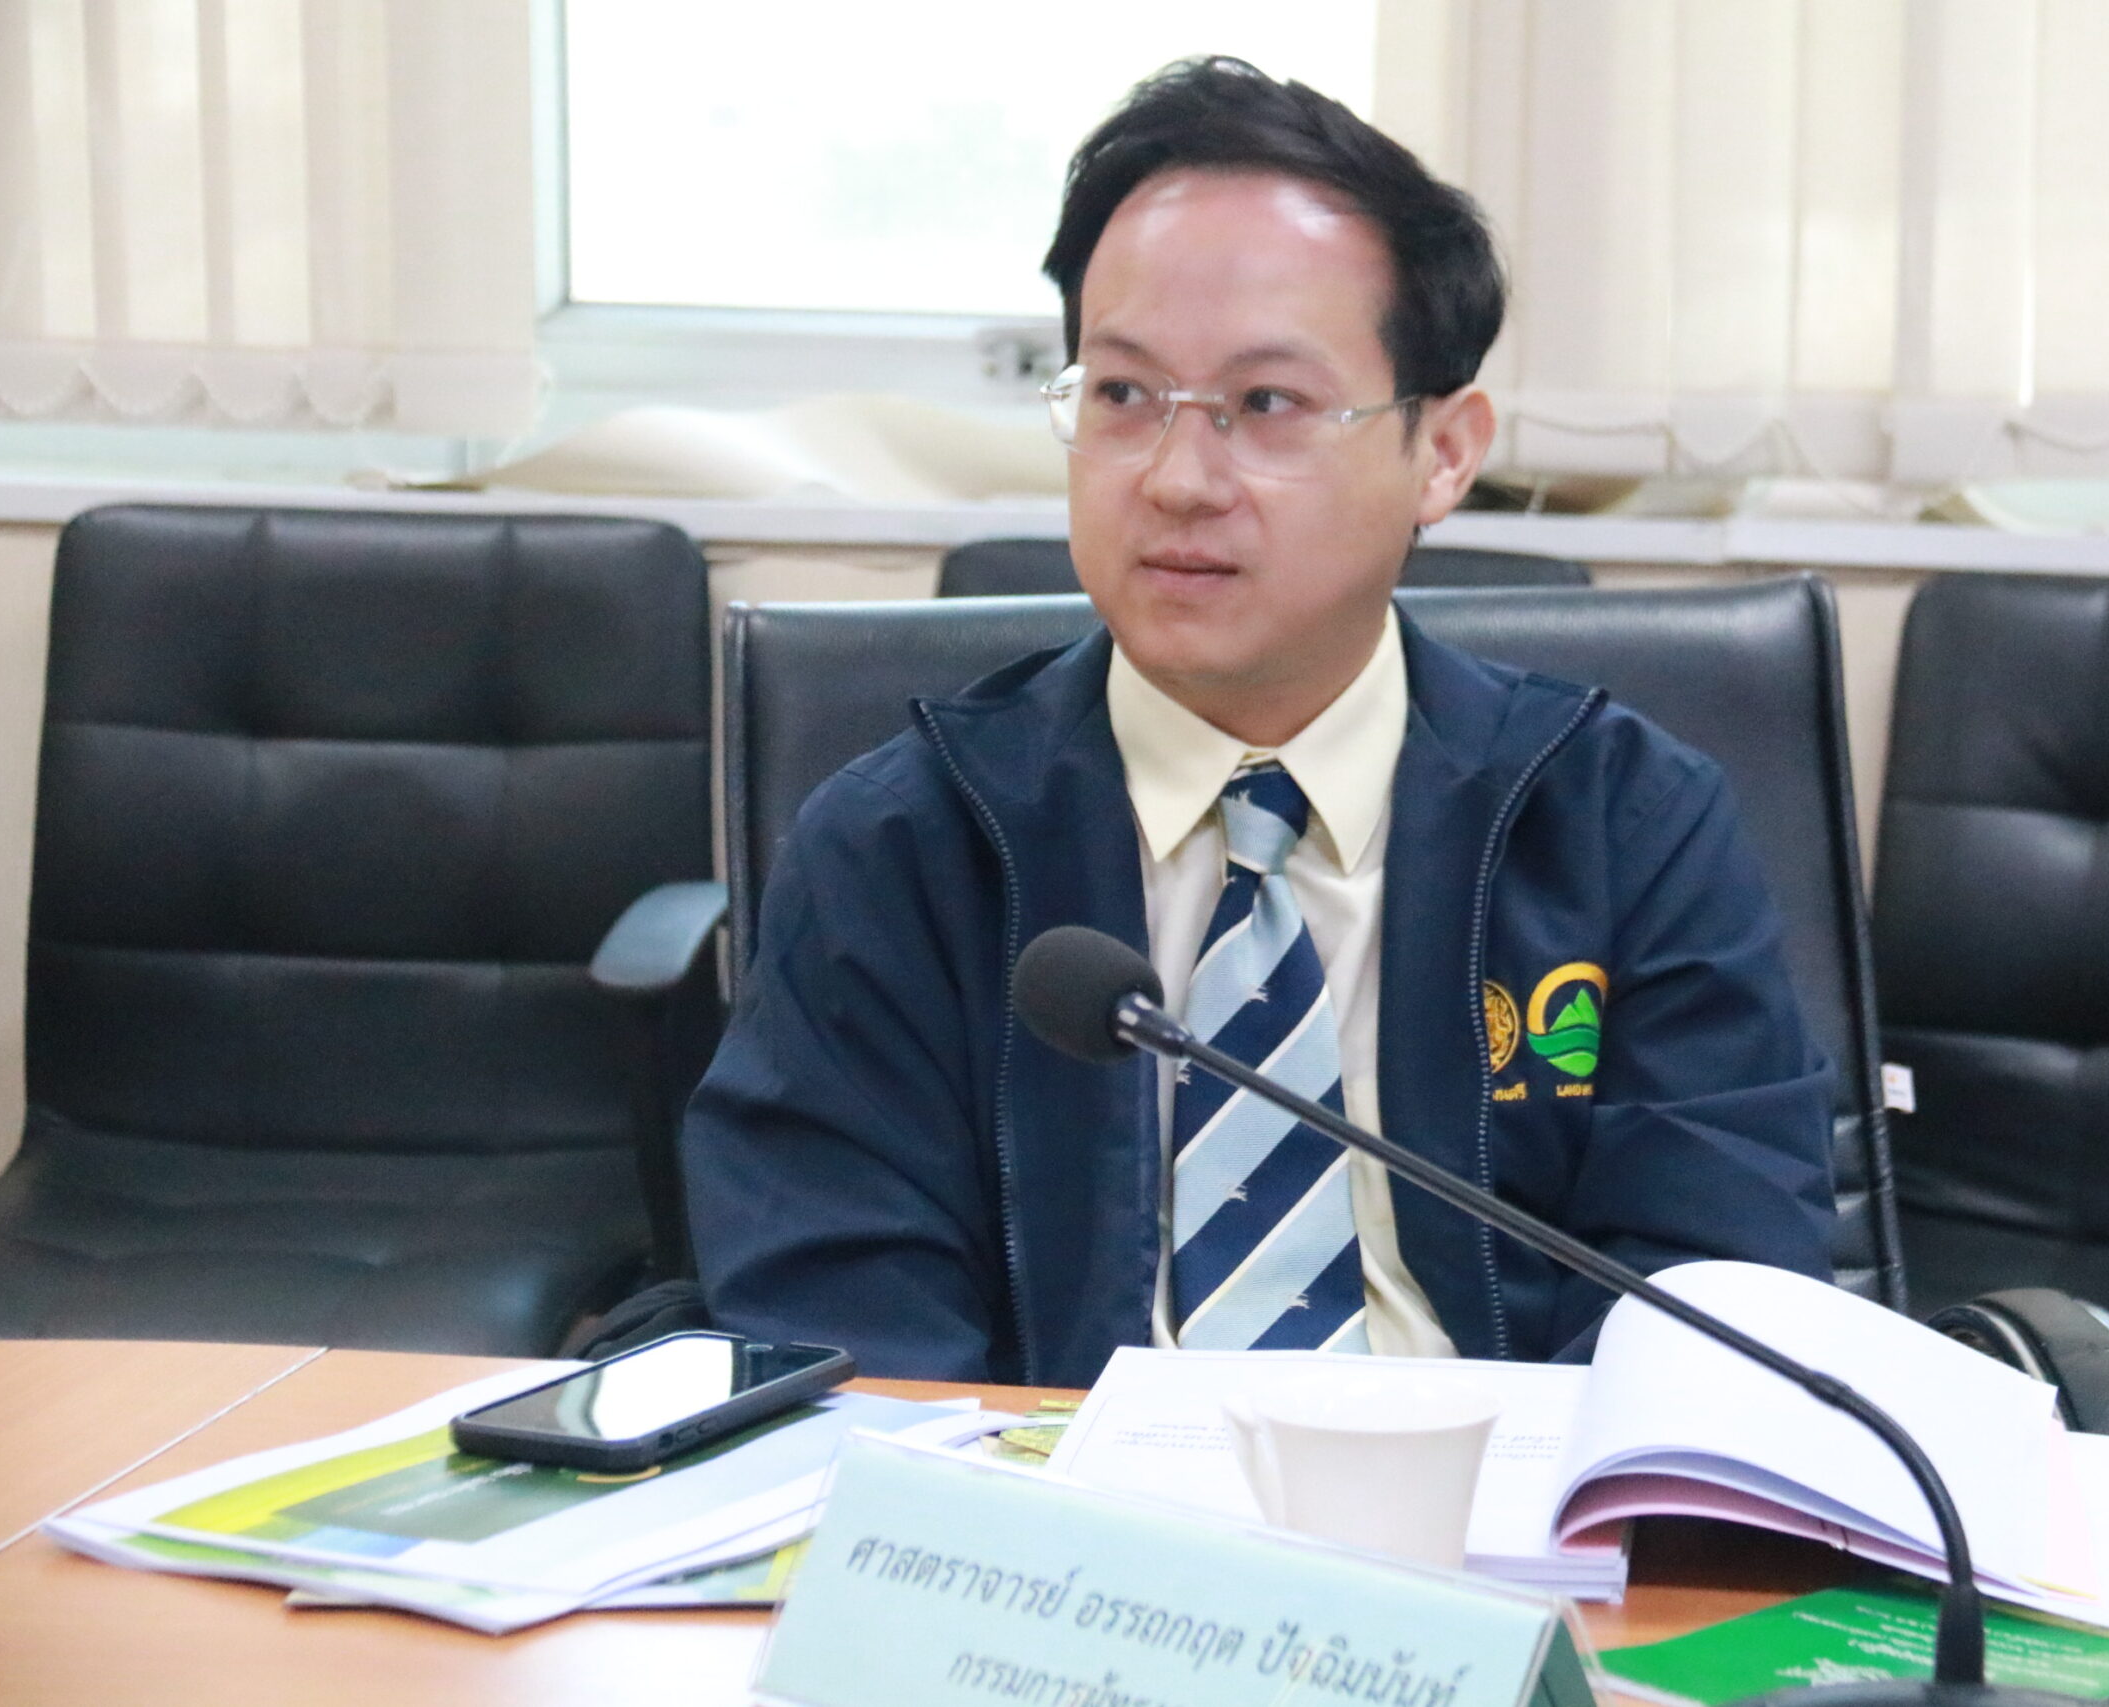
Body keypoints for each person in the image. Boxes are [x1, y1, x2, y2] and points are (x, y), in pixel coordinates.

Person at [681, 58, 1834, 1385]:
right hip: (1054, 1501)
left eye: (1266, 405)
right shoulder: (903, 847)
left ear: (1444, 452)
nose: (1178, 479)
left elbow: (1712, 1300)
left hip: (1498, 1494)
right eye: (1123, 396)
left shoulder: (1624, 827)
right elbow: (847, 1339)